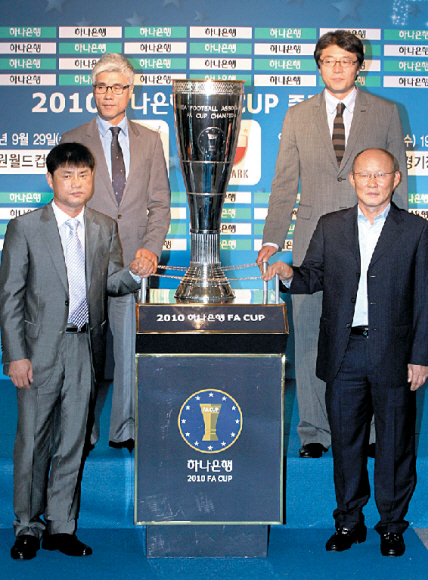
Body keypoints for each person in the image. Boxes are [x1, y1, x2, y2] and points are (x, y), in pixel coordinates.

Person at [263, 148, 428, 557]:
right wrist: (288, 274)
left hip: (396, 353)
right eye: (364, 175)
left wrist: (421, 356)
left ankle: (391, 526)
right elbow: (312, 277)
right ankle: (349, 522)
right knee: (347, 443)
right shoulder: (330, 225)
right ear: (352, 180)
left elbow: (425, 298)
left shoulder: (416, 231)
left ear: (395, 179)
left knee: (394, 444)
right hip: (344, 351)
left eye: (381, 175)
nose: (372, 182)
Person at [257, 30, 408, 459]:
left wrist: (398, 240)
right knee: (309, 335)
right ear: (319, 65)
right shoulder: (297, 116)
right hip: (312, 241)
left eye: (346, 59)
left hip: (374, 236)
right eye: (329, 59)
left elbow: (399, 179)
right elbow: (284, 183)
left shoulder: (386, 112)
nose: (338, 67)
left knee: (375, 334)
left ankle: (376, 432)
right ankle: (314, 431)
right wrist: (272, 239)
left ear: (361, 65)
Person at [0, 143, 148, 560]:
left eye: (83, 174)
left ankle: (61, 527)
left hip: (86, 345)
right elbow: (9, 297)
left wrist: (136, 273)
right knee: (32, 440)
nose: (76, 183)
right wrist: (15, 355)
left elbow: (113, 282)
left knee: (73, 440)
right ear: (50, 180)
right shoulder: (25, 228)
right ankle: (27, 526)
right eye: (67, 175)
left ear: (92, 178)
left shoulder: (103, 226)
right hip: (39, 350)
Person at [61, 53, 171, 451]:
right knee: (85, 356)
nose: (108, 94)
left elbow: (160, 204)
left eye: (116, 87)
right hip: (85, 263)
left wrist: (150, 250)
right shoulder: (73, 138)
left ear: (130, 91)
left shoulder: (149, 140)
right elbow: (67, 204)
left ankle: (124, 430)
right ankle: (82, 431)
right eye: (100, 87)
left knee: (129, 353)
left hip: (134, 265)